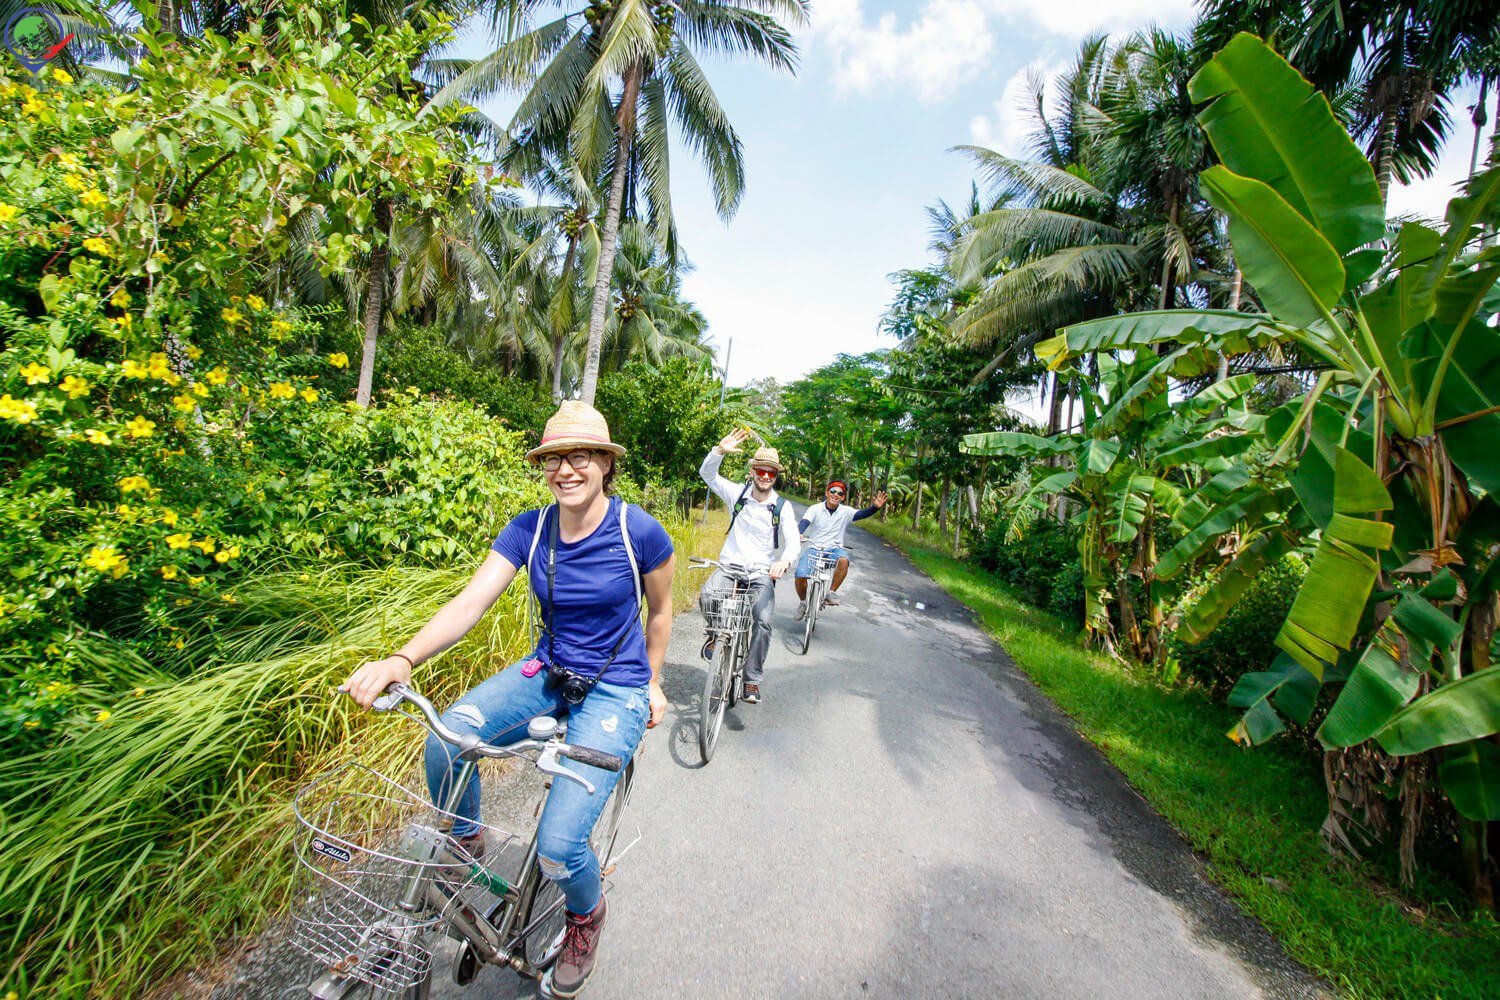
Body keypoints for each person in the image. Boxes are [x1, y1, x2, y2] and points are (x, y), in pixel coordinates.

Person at [341, 401, 673, 999]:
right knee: (449, 735)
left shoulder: (638, 531)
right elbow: (470, 604)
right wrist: (402, 659)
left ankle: (585, 917)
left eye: (579, 456)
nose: (565, 469)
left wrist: (652, 681)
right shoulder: (531, 528)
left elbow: (661, 612)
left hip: (616, 687)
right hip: (548, 671)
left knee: (560, 846)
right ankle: (467, 836)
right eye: (553, 459)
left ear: (604, 463)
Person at [697, 428, 800, 704]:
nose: (765, 476)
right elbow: (707, 475)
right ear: (752, 470)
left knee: (763, 622)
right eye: (761, 471)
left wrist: (784, 561)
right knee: (707, 595)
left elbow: (793, 542)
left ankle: (751, 679)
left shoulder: (782, 507)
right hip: (730, 567)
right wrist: (718, 452)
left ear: (775, 476)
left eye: (771, 473)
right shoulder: (737, 494)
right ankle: (714, 634)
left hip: (761, 573)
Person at [794, 482, 886, 619]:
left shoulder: (845, 512)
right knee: (800, 574)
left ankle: (831, 592)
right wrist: (799, 533)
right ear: (827, 493)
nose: (835, 495)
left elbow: (862, 514)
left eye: (840, 493)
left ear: (843, 497)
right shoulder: (815, 509)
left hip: (834, 549)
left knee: (844, 560)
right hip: (814, 548)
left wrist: (875, 508)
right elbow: (804, 522)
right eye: (833, 491)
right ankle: (803, 602)